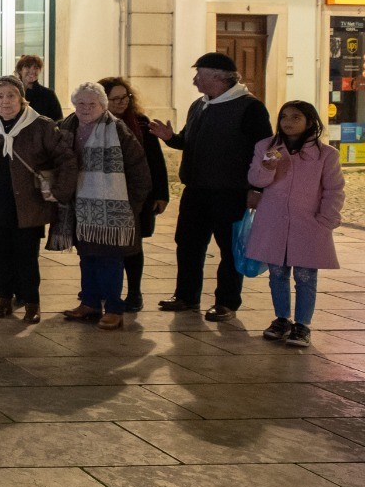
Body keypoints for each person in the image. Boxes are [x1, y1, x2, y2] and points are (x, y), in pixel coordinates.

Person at [149, 51, 273, 321]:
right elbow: (189, 141)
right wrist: (171, 139)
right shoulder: (200, 105)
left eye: (199, 75)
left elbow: (264, 151)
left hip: (231, 191)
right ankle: (186, 296)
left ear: (219, 77)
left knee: (229, 248)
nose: (194, 80)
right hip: (196, 189)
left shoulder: (249, 107)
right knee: (188, 243)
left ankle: (226, 302)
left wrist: (258, 189)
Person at [0, 75, 76, 324]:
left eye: (11, 96)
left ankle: (32, 302)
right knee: (0, 254)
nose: (5, 102)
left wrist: (59, 190)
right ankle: (4, 299)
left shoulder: (41, 126)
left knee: (26, 256)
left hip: (29, 204)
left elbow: (66, 159)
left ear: (22, 99)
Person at [249, 100, 344, 349]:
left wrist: (326, 219)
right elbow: (256, 179)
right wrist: (267, 168)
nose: (288, 123)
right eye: (284, 117)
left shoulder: (326, 155)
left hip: (309, 223)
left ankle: (302, 324)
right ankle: (282, 319)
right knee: (277, 274)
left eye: (296, 117)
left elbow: (334, 189)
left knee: (305, 275)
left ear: (310, 121)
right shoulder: (266, 147)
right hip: (273, 220)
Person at [57, 82, 151, 330]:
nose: (86, 108)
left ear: (103, 105)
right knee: (87, 256)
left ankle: (113, 308)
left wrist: (129, 205)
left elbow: (140, 171)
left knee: (109, 259)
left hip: (112, 210)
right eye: (81, 104)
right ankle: (89, 303)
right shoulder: (66, 127)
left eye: (92, 104)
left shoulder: (117, 130)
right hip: (79, 207)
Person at [100, 76, 170, 311]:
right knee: (104, 245)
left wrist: (161, 194)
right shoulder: (96, 122)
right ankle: (104, 289)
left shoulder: (139, 123)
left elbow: (155, 160)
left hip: (136, 195)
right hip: (106, 194)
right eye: (115, 99)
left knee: (133, 245)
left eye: (125, 97)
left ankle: (134, 292)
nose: (122, 103)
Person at [17, 55, 63, 120]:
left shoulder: (48, 95)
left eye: (36, 68)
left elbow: (58, 121)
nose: (32, 71)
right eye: (27, 67)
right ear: (20, 70)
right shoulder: (13, 93)